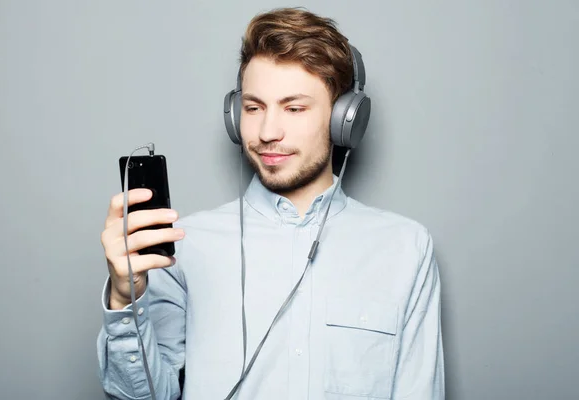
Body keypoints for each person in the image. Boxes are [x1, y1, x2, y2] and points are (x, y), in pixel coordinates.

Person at [97, 7, 445, 400]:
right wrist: (126, 299)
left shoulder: (405, 248)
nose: (266, 132)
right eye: (253, 107)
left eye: (294, 108)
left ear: (345, 119)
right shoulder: (185, 245)